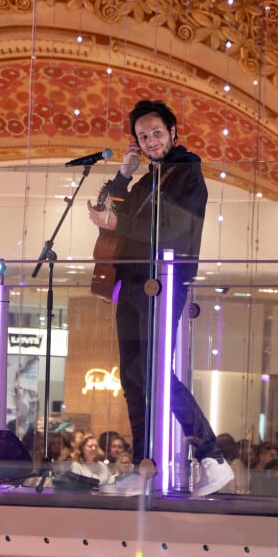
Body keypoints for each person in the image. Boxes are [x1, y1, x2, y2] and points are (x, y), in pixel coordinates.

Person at [87, 99, 233, 497]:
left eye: (156, 133)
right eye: (142, 136)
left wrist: (118, 220)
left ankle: (212, 458)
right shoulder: (150, 179)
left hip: (163, 284)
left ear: (173, 132)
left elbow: (167, 229)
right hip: (132, 283)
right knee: (134, 378)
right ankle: (144, 468)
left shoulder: (186, 173)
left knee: (153, 373)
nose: (150, 141)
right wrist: (122, 175)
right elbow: (111, 217)